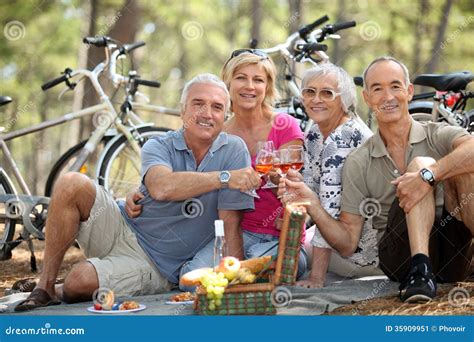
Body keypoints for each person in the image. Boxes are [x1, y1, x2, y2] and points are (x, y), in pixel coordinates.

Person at [15, 73, 260, 311]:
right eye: (198, 104)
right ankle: (45, 287)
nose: (207, 113)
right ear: (182, 110)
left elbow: (231, 226)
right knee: (71, 182)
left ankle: (63, 288)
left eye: (216, 107)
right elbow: (162, 187)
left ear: (225, 115)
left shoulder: (233, 151)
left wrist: (234, 280)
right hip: (121, 224)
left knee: (78, 282)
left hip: (154, 263)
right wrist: (224, 178)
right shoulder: (159, 144)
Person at [280, 56, 474, 303]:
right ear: (367, 98)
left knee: (459, 165)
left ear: (409, 91)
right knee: (420, 165)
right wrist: (313, 205)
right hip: (400, 257)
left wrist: (429, 175)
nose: (388, 96)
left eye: (395, 86)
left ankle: (433, 271)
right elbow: (348, 243)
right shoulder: (359, 160)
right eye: (377, 88)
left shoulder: (436, 133)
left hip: (452, 252)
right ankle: (420, 271)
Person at [126, 49, 309, 282]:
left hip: (275, 234)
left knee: (273, 268)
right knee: (189, 280)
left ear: (268, 86)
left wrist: (279, 181)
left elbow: (290, 179)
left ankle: (264, 272)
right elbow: (188, 171)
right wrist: (139, 189)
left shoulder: (285, 125)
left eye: (258, 79)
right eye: (241, 77)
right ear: (228, 84)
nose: (249, 86)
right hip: (231, 232)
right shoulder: (216, 130)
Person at [281, 63, 381, 289]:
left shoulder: (343, 140)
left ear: (343, 100)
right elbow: (308, 191)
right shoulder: (316, 131)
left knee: (282, 255)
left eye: (327, 93)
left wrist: (316, 278)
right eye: (309, 92)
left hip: (362, 255)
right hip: (339, 233)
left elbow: (324, 211)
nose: (316, 99)